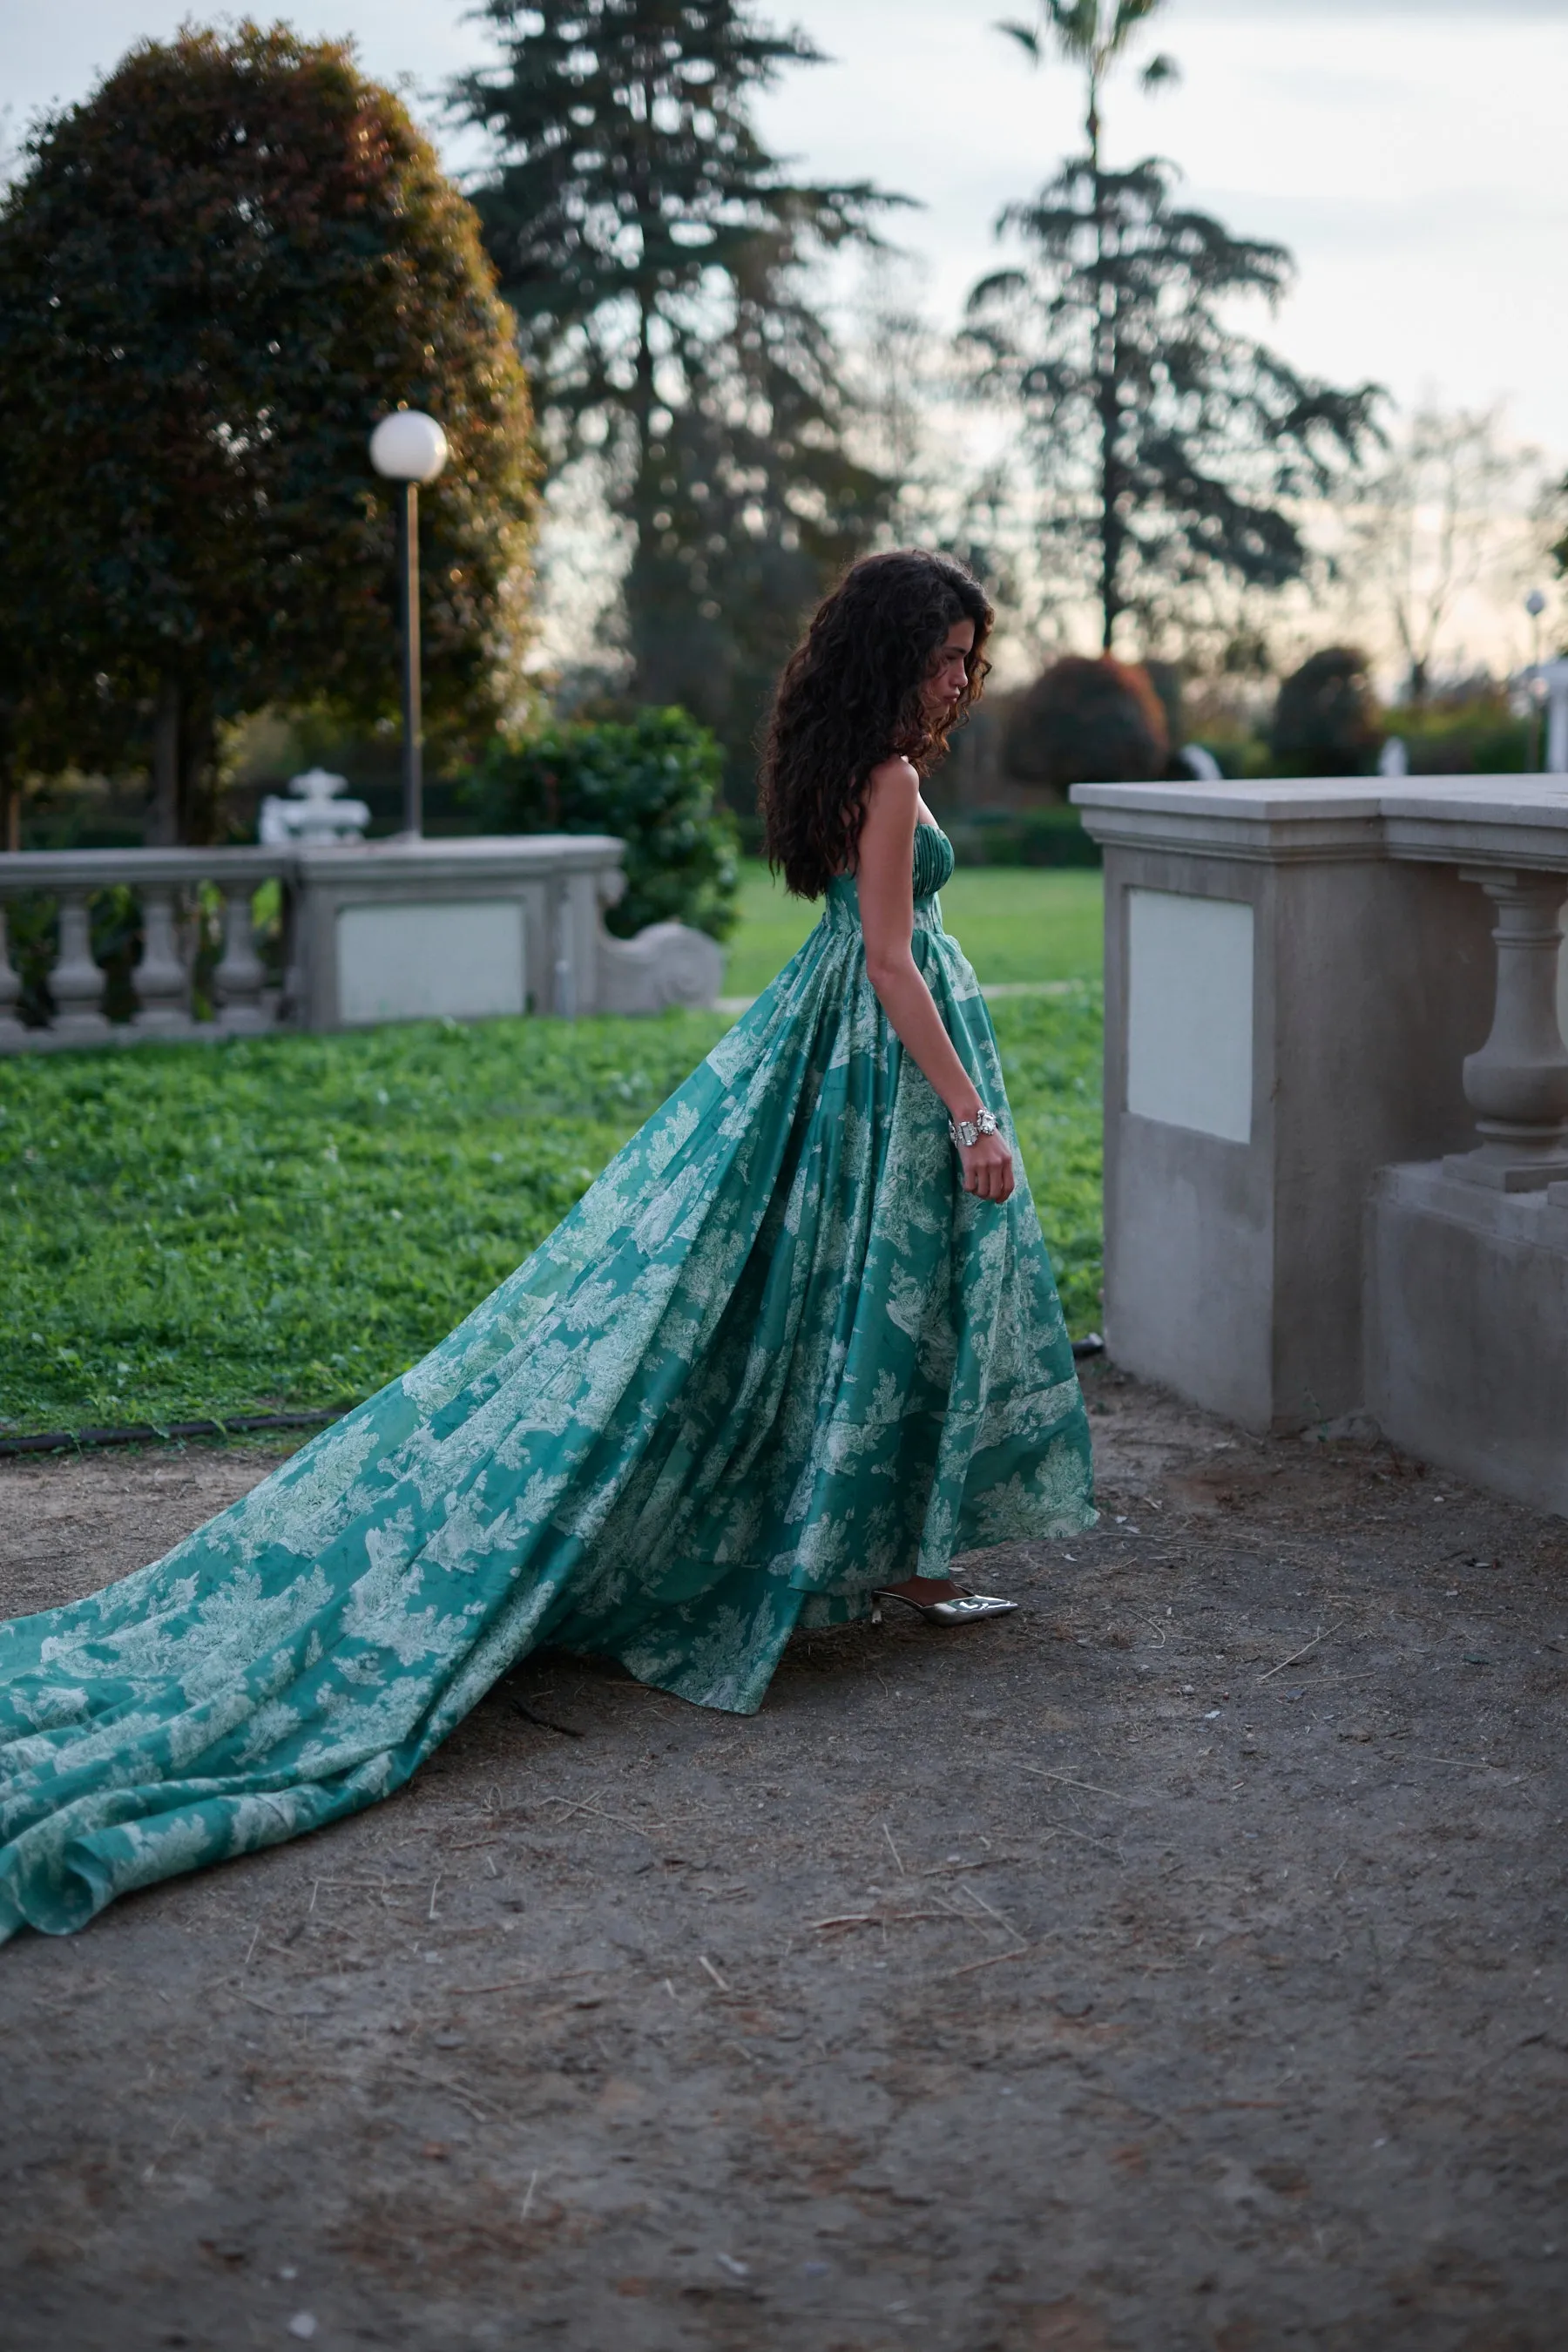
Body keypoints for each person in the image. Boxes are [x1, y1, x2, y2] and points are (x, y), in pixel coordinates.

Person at [0, 548, 1094, 1944]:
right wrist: (972, 1114)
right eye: (947, 653)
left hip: (825, 1052)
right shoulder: (888, 781)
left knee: (815, 1303)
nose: (964, 677)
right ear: (893, 657)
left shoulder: (849, 767)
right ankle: (890, 1557)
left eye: (969, 655)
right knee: (846, 1305)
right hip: (877, 1068)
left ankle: (906, 1555)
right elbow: (889, 959)